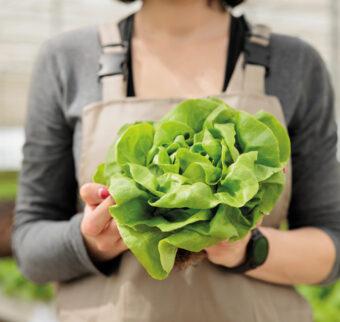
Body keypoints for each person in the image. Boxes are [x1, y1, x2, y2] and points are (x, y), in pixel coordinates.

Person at [13, 0, 340, 321]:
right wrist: (93, 241)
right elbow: (30, 247)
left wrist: (246, 248)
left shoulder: (295, 63)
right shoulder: (68, 59)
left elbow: (331, 246)